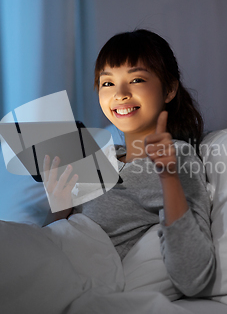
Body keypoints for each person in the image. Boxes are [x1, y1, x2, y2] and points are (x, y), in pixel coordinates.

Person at [41, 29, 215, 297]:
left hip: (77, 279)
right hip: (50, 263)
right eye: (107, 83)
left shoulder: (177, 157)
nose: (120, 94)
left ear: (169, 89)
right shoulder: (102, 157)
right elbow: (51, 243)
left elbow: (194, 277)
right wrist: (59, 208)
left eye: (136, 79)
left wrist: (169, 178)